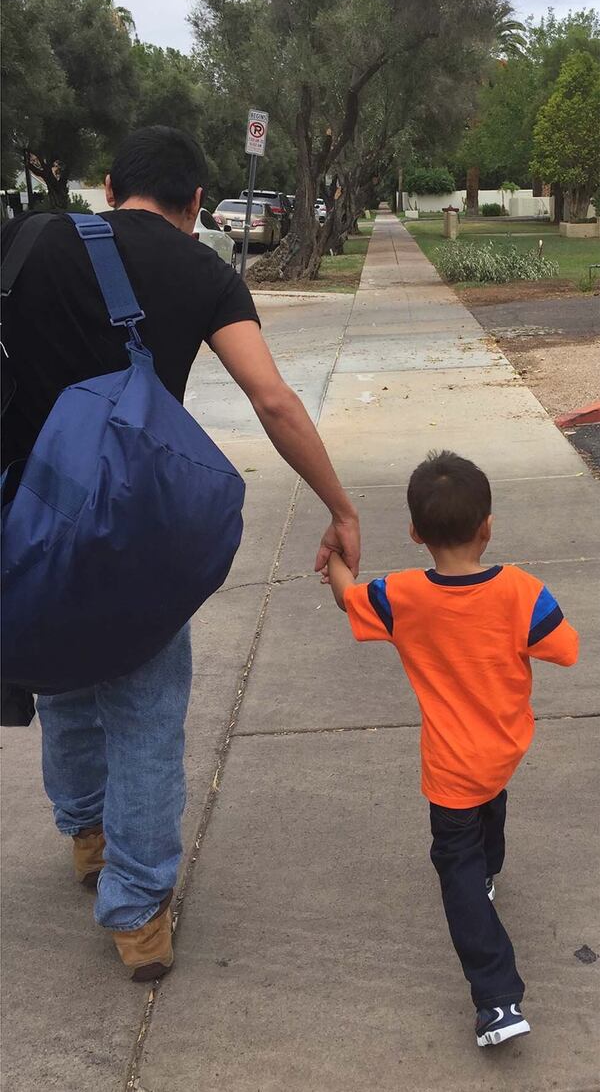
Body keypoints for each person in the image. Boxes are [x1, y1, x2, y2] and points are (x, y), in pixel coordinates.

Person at [1, 125, 360, 981]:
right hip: (132, 531)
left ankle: (86, 835)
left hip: (25, 520)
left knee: (64, 681)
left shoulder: (26, 238)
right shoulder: (202, 272)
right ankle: (137, 918)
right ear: (198, 203)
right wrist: (339, 506)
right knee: (147, 712)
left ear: (107, 184)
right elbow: (271, 398)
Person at [324, 450, 578, 1048]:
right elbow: (564, 648)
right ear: (488, 525)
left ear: (415, 534)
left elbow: (347, 597)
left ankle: (497, 999)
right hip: (504, 745)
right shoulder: (522, 592)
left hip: (449, 765)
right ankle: (490, 868)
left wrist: (334, 557)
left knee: (454, 863)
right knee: (491, 797)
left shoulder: (401, 596)